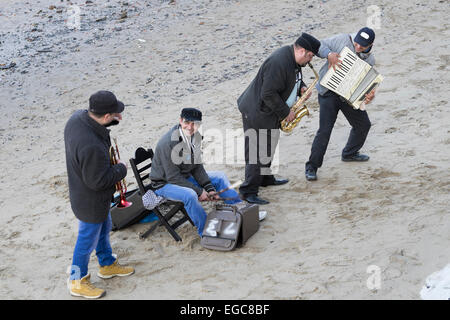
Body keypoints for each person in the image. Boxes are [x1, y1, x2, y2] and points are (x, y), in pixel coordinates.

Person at [64, 90, 135, 299]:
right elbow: (98, 181)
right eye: (115, 115)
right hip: (90, 201)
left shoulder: (77, 118)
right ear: (105, 117)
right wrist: (121, 168)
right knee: (86, 241)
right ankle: (76, 280)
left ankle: (106, 264)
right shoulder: (91, 146)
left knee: (105, 228)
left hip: (85, 193)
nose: (119, 117)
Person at [237, 32, 321, 205]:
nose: (310, 61)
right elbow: (267, 93)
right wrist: (286, 112)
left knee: (269, 145)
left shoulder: (294, 61)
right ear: (302, 51)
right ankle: (248, 191)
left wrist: (302, 88)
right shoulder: (279, 62)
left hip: (270, 112)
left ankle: (265, 178)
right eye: (310, 56)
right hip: (257, 111)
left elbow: (294, 79)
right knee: (256, 152)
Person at [149, 108, 243, 236]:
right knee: (190, 195)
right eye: (187, 122)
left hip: (184, 177)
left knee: (220, 177)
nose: (190, 127)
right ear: (180, 121)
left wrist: (209, 188)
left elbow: (197, 166)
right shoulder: (168, 143)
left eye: (195, 124)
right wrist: (199, 191)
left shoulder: (196, 137)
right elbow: (173, 177)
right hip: (164, 184)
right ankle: (206, 231)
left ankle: (240, 213)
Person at [305, 27, 377, 181]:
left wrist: (369, 94)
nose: (358, 47)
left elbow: (364, 85)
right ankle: (311, 167)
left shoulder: (370, 60)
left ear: (371, 45)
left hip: (347, 96)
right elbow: (318, 45)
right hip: (328, 93)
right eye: (357, 43)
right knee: (324, 131)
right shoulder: (342, 40)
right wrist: (329, 54)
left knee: (363, 124)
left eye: (362, 46)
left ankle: (350, 153)